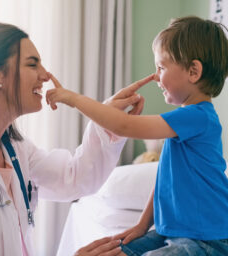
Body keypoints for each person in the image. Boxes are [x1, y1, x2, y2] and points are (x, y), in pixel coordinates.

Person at [46, 16, 228, 255]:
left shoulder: (198, 117)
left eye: (161, 68)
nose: (155, 77)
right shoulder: (184, 121)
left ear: (193, 71)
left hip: (206, 240)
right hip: (173, 232)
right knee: (119, 249)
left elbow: (123, 126)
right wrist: (142, 225)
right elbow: (165, 180)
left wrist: (74, 99)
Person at [0, 22, 149, 256]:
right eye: (32, 64)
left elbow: (74, 177)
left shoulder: (15, 150)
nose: (45, 75)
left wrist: (109, 119)